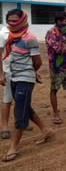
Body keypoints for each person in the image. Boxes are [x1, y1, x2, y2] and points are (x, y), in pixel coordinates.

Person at [3, 9, 53, 162]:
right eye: (9, 20)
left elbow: (37, 62)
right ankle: (45, 130)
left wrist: (30, 72)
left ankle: (13, 147)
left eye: (14, 20)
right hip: (13, 78)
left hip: (24, 79)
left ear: (22, 20)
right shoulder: (11, 38)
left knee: (20, 112)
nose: (12, 23)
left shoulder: (30, 38)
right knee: (25, 107)